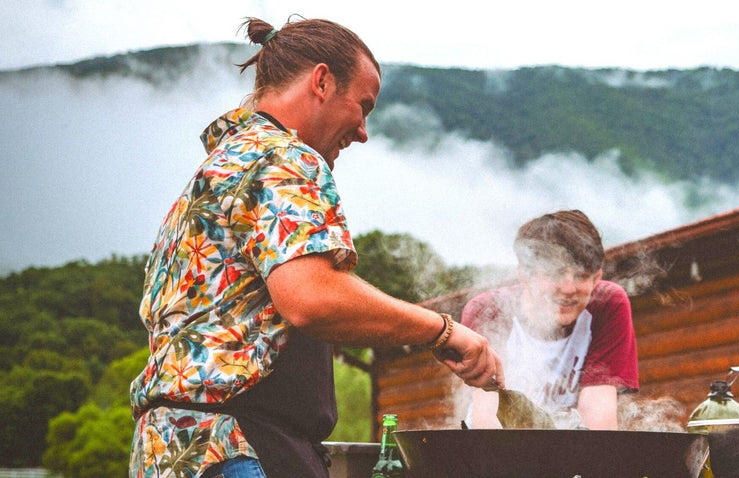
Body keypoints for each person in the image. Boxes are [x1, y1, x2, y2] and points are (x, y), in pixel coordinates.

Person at [128, 17, 502, 478]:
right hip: (235, 448)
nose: (363, 131)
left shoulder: (219, 168)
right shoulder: (284, 156)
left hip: (172, 450)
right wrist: (444, 331)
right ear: (322, 81)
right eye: (362, 106)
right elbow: (313, 297)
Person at [461, 210, 639, 430]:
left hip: (571, 451)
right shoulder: (488, 312)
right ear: (525, 275)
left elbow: (598, 416)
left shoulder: (607, 305)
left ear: (597, 277)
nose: (568, 289)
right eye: (554, 274)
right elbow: (488, 417)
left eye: (581, 275)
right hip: (499, 447)